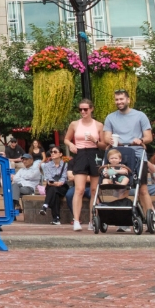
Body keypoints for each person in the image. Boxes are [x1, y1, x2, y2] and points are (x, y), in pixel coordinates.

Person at [102, 89, 154, 223]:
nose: (119, 102)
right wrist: (111, 141)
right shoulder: (110, 117)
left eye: (121, 99)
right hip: (118, 155)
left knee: (142, 188)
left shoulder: (140, 116)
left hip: (136, 154)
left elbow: (148, 137)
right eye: (117, 99)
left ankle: (151, 217)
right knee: (121, 187)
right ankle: (122, 220)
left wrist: (141, 140)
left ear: (128, 100)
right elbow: (106, 136)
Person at [64, 98, 103, 232]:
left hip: (94, 153)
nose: (83, 111)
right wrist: (71, 145)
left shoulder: (98, 125)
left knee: (94, 190)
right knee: (79, 189)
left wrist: (95, 140)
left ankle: (93, 220)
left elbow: (104, 145)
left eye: (85, 109)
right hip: (80, 153)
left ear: (91, 109)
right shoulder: (75, 124)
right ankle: (76, 219)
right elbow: (66, 139)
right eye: (80, 109)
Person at [39, 147, 68, 225]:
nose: (52, 153)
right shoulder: (46, 165)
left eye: (55, 152)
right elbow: (48, 178)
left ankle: (45, 206)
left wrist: (59, 183)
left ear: (61, 154)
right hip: (51, 186)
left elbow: (64, 178)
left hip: (62, 187)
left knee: (53, 190)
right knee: (54, 192)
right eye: (51, 152)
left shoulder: (65, 165)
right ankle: (56, 218)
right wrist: (56, 183)